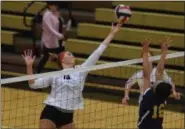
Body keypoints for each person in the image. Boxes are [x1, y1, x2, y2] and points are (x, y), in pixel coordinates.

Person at [22, 22, 123, 129]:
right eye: (69, 54)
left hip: (68, 116)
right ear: (62, 60)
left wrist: (112, 34)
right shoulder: (55, 75)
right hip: (51, 112)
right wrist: (29, 66)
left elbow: (98, 52)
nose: (72, 56)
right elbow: (32, 85)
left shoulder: (81, 70)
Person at [122, 37, 180, 105]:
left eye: (149, 58)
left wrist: (174, 92)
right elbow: (128, 84)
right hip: (144, 101)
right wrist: (126, 96)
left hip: (157, 100)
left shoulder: (158, 72)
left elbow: (170, 82)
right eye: (146, 58)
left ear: (152, 60)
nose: (148, 60)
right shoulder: (139, 74)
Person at [138, 38, 177, 129]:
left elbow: (146, 75)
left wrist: (144, 52)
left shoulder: (148, 96)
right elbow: (159, 71)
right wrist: (164, 52)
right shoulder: (162, 99)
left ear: (156, 88)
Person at [37, 1, 71, 73]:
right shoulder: (46, 15)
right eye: (54, 6)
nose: (56, 7)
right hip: (49, 41)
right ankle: (37, 73)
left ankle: (64, 73)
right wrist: (59, 35)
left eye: (56, 6)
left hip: (57, 41)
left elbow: (59, 25)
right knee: (46, 57)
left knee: (61, 56)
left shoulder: (56, 13)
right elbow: (50, 28)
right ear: (50, 6)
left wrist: (66, 27)